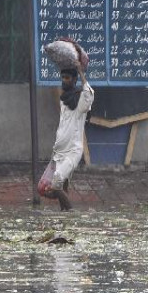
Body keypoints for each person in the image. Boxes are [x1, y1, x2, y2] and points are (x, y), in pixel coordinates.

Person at [43, 46, 94, 211]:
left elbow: (89, 93)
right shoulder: (64, 99)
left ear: (73, 80)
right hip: (59, 150)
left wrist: (80, 71)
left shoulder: (80, 100)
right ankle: (64, 213)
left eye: (67, 78)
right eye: (63, 77)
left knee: (56, 184)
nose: (64, 80)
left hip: (73, 150)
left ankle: (71, 214)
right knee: (63, 185)